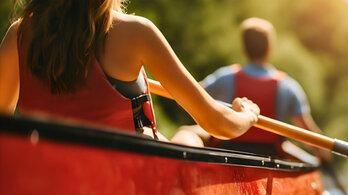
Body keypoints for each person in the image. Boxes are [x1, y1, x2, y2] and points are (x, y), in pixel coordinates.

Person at [0, 0, 259, 144]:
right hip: (134, 177)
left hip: (50, 180)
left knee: (190, 132)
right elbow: (218, 122)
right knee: (189, 133)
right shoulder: (136, 33)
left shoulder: (18, 35)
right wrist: (247, 116)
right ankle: (195, 136)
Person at [178, 17, 330, 161]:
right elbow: (308, 135)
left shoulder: (225, 77)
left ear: (244, 49)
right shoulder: (289, 86)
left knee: (187, 131)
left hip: (229, 149)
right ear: (269, 49)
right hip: (270, 154)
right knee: (289, 147)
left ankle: (184, 164)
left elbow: (190, 95)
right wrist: (322, 153)